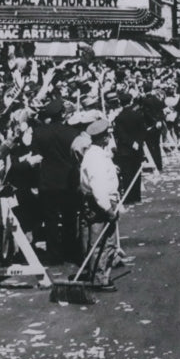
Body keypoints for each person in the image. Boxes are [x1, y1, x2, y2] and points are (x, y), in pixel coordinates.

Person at [30, 99, 83, 264]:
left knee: (51, 219)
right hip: (68, 180)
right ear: (62, 114)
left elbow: (37, 157)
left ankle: (54, 255)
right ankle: (70, 251)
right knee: (69, 217)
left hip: (47, 180)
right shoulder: (72, 132)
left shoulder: (38, 133)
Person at [78, 119, 120, 291]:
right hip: (100, 203)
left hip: (97, 201)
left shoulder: (96, 154)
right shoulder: (95, 157)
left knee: (97, 241)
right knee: (102, 242)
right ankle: (99, 277)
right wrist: (108, 209)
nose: (109, 138)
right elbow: (98, 186)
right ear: (102, 138)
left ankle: (97, 274)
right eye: (107, 135)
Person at [112, 92, 146, 205]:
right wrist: (138, 142)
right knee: (137, 172)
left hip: (125, 149)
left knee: (127, 174)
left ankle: (128, 197)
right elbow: (143, 131)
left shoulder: (119, 118)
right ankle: (137, 196)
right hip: (137, 148)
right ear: (131, 102)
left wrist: (131, 143)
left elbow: (120, 135)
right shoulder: (138, 115)